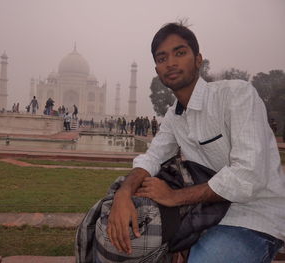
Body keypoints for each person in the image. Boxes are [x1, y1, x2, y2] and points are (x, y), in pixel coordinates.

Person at [106, 22, 285, 263]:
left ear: (199, 59)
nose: (170, 62)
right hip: (202, 216)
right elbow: (152, 157)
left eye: (180, 53)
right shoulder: (174, 116)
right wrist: (123, 194)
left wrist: (175, 197)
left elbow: (248, 176)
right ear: (157, 70)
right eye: (162, 58)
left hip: (254, 216)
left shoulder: (236, 95)